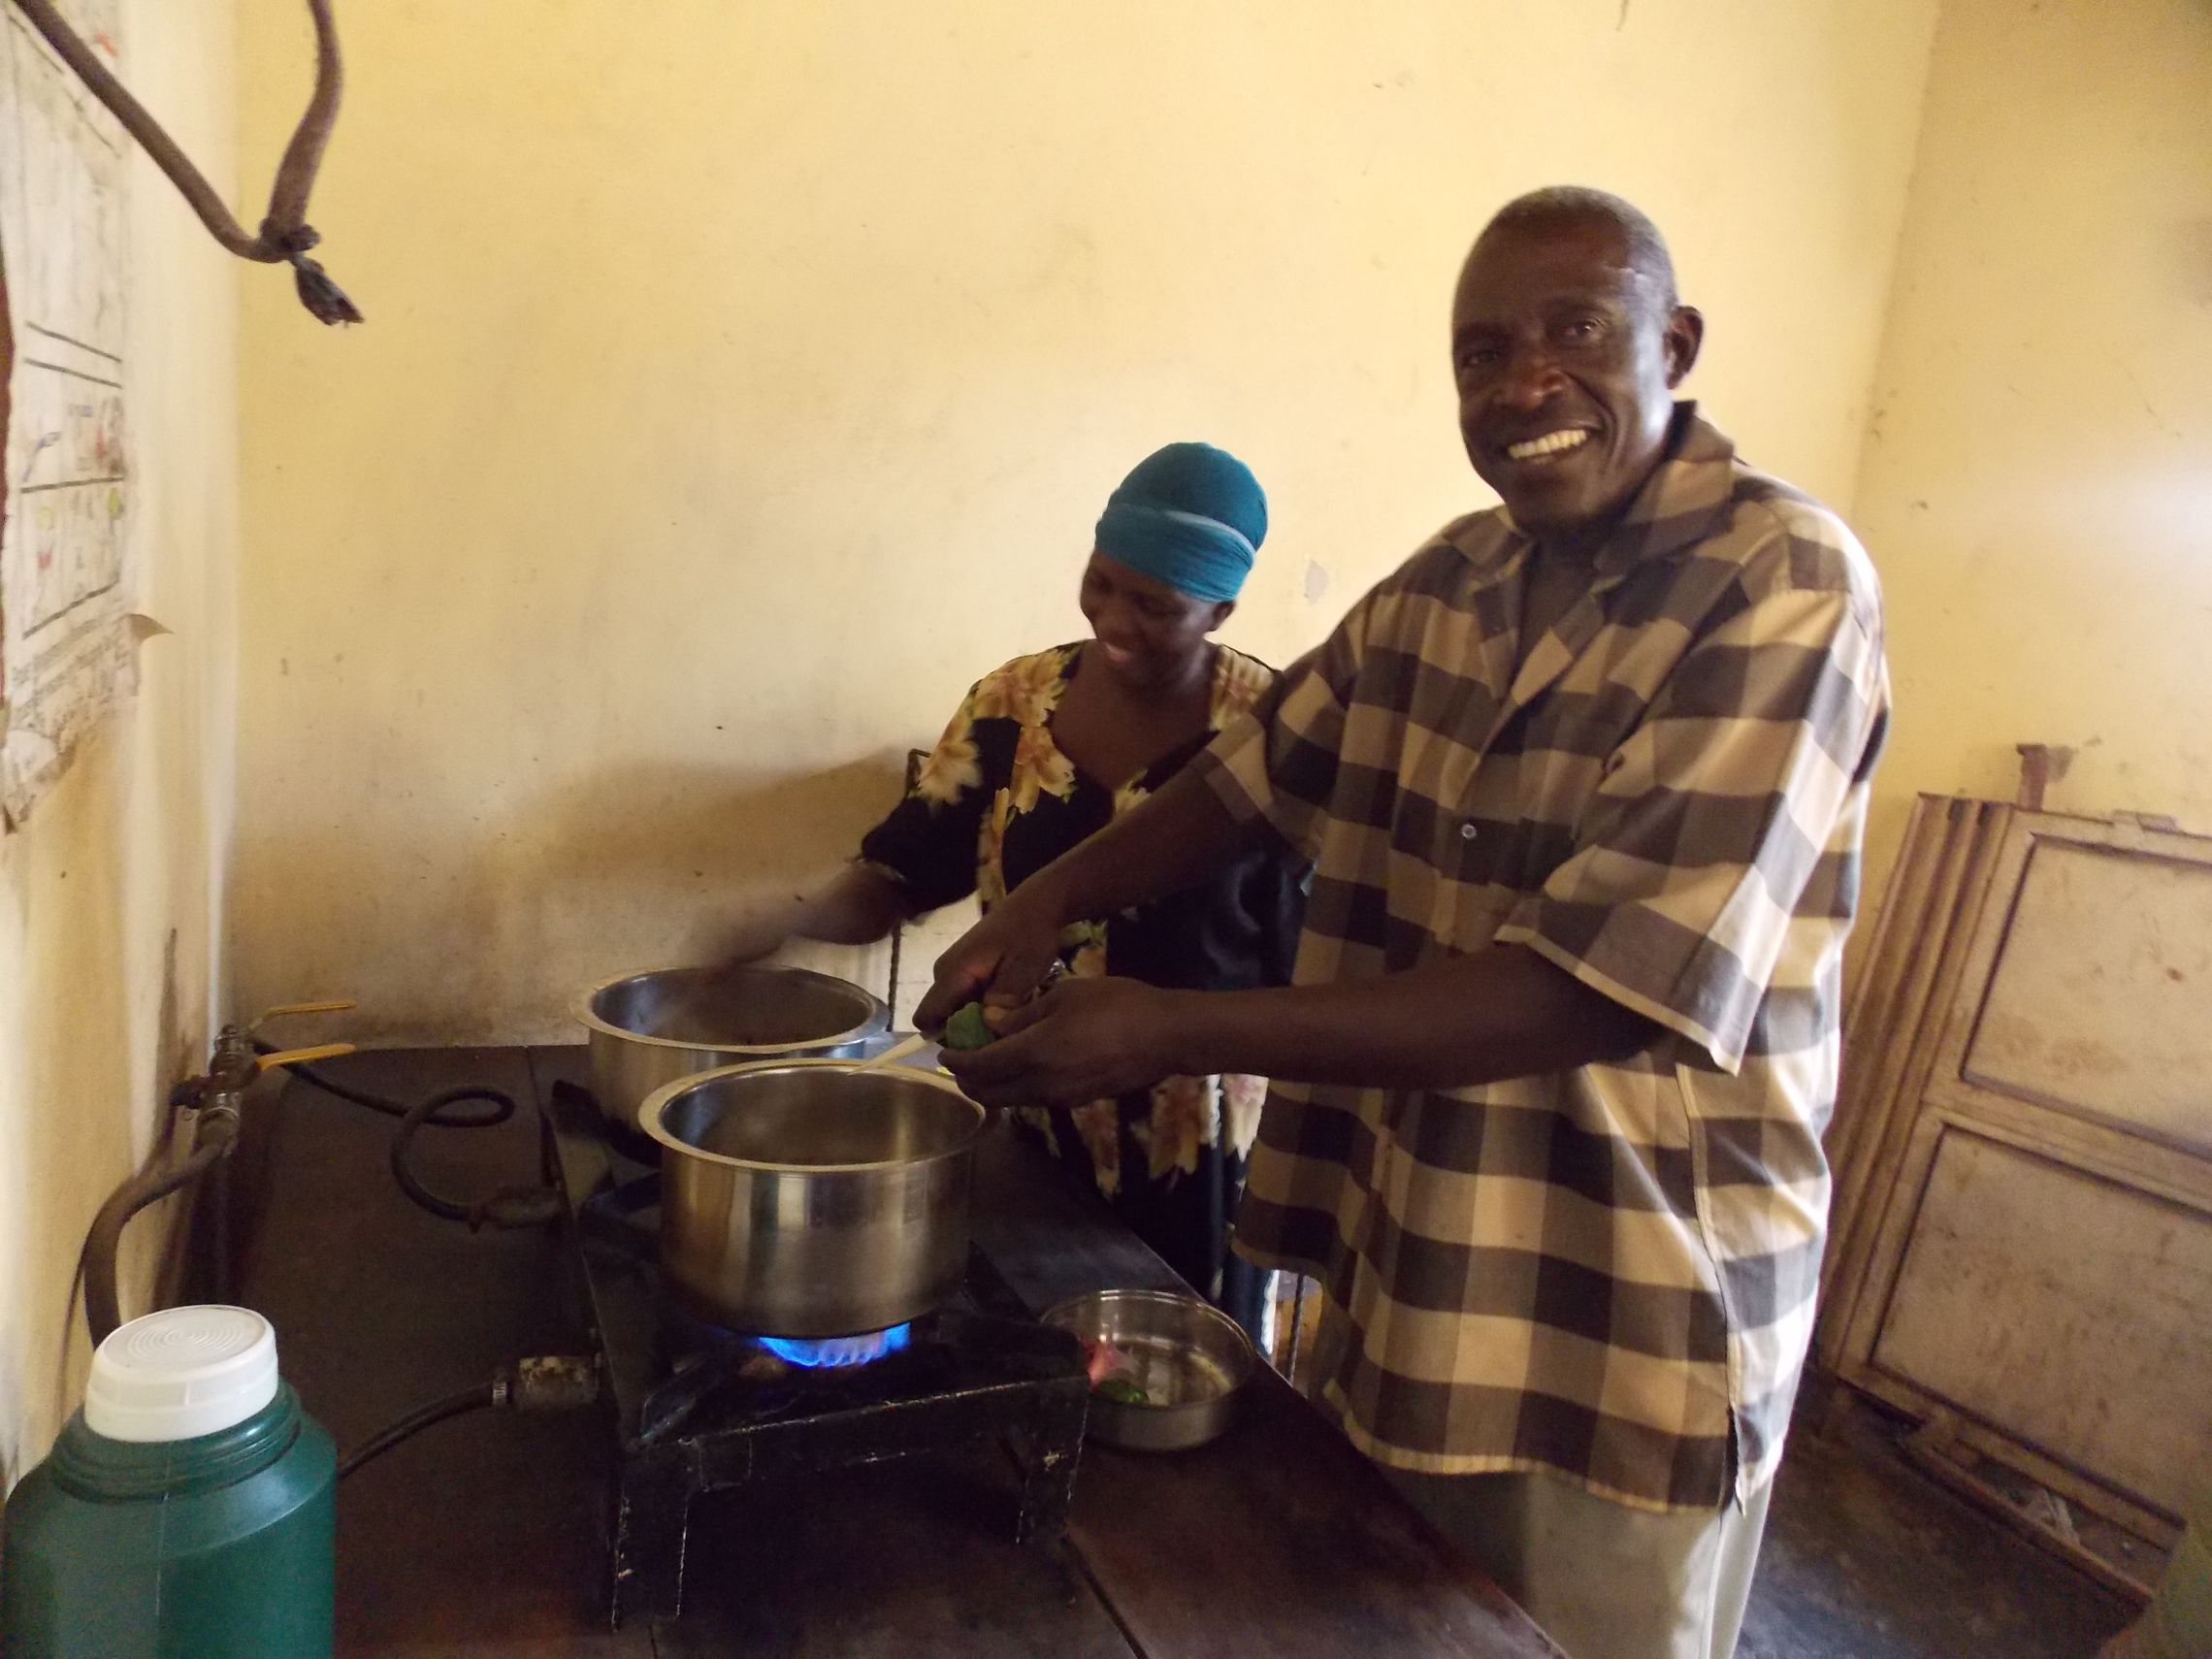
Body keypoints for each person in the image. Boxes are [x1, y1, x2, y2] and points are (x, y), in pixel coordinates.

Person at [919, 188, 1890, 1659]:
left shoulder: (1780, 581)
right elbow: (1252, 781)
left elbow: (1598, 989)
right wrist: (1053, 896)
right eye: (1482, 352)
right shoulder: (1454, 577)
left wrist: (1170, 1027)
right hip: (1415, 1252)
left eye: (1576, 332)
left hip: (1620, 1305)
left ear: (1674, 343)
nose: (1524, 385)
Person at [719, 441, 1304, 1343]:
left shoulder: (1270, 738)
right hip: (1025, 1105)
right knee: (1027, 1334)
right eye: (1102, 582)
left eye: (1156, 604)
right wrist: (790, 923)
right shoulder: (1013, 703)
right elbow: (903, 869)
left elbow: (1309, 962)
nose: (1116, 619)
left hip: (1196, 1145)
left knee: (1186, 1352)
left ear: (1220, 608)